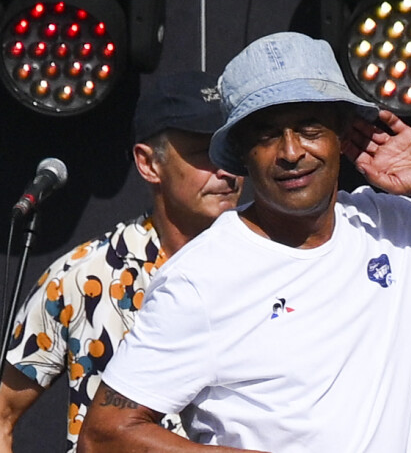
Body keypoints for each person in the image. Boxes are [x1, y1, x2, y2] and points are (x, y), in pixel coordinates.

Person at [78, 32, 411, 453]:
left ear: (343, 134)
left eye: (309, 127)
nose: (291, 151)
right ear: (243, 155)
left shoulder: (397, 227)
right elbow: (104, 436)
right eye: (268, 134)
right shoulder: (201, 278)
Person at [0, 70, 243, 452]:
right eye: (206, 153)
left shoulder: (276, 266)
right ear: (149, 164)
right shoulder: (81, 275)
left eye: (233, 150)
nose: (227, 170)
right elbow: (2, 414)